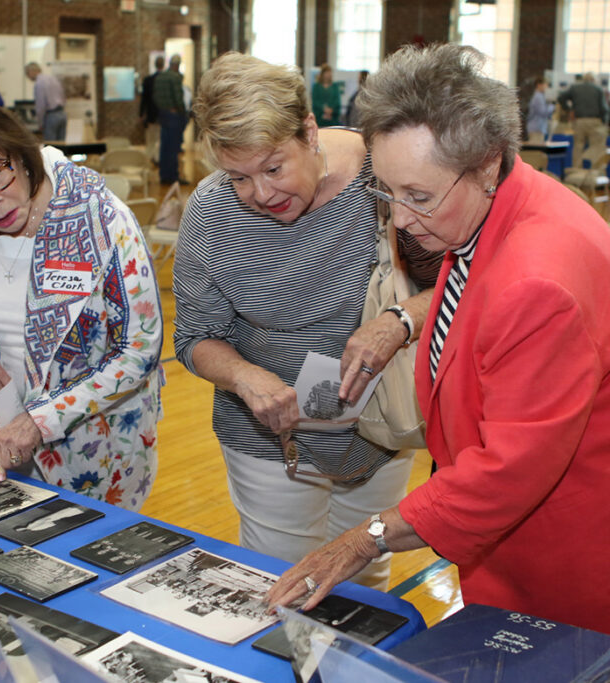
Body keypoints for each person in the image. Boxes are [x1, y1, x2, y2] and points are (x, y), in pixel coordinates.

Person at [267, 44, 610, 675]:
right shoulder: (500, 202)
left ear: (487, 164)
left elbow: (508, 470)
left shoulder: (538, 276)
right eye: (389, 193)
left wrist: (364, 540)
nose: (401, 221)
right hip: (550, 522)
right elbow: (470, 311)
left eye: (419, 196)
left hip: (593, 547)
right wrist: (405, 319)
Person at [173, 53, 441, 590]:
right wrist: (246, 378)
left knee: (365, 584)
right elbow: (194, 334)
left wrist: (399, 319)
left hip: (380, 431)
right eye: (238, 177)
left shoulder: (383, 180)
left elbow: (465, 279)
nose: (262, 193)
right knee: (283, 586)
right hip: (269, 442)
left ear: (310, 131)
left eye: (274, 167)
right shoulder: (209, 213)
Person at [0, 96, 163, 509]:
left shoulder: (98, 217)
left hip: (93, 453)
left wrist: (42, 420)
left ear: (18, 152)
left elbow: (139, 348)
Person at [557, 72, 609, 167]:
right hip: (595, 121)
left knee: (578, 147)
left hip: (579, 121)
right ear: (593, 80)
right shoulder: (598, 89)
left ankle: (576, 172)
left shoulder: (575, 88)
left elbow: (561, 97)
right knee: (596, 147)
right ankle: (595, 172)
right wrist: (604, 122)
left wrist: (568, 109)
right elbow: (604, 109)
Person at [152, 54, 186, 185]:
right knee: (173, 147)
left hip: (163, 114)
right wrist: (182, 112)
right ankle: (173, 176)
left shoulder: (160, 77)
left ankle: (164, 175)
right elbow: (178, 98)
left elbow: (155, 97)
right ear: (177, 65)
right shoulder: (175, 77)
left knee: (164, 146)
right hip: (174, 116)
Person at [24, 62, 67, 141]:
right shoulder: (52, 78)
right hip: (62, 114)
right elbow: (63, 95)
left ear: (31, 71)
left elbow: (41, 105)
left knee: (50, 147)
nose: (28, 77)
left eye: (27, 74)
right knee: (62, 145)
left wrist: (40, 123)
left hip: (51, 116)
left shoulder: (39, 83)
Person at [138, 55, 164, 164]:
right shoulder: (164, 80)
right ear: (163, 65)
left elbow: (144, 98)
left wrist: (141, 113)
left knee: (150, 138)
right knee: (159, 138)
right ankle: (157, 158)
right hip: (162, 113)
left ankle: (148, 159)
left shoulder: (148, 80)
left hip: (151, 113)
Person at [525, 77, 556, 141]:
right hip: (536, 128)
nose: (547, 87)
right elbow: (543, 112)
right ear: (539, 85)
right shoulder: (538, 97)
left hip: (539, 128)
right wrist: (552, 107)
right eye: (545, 84)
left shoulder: (541, 96)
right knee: (536, 149)